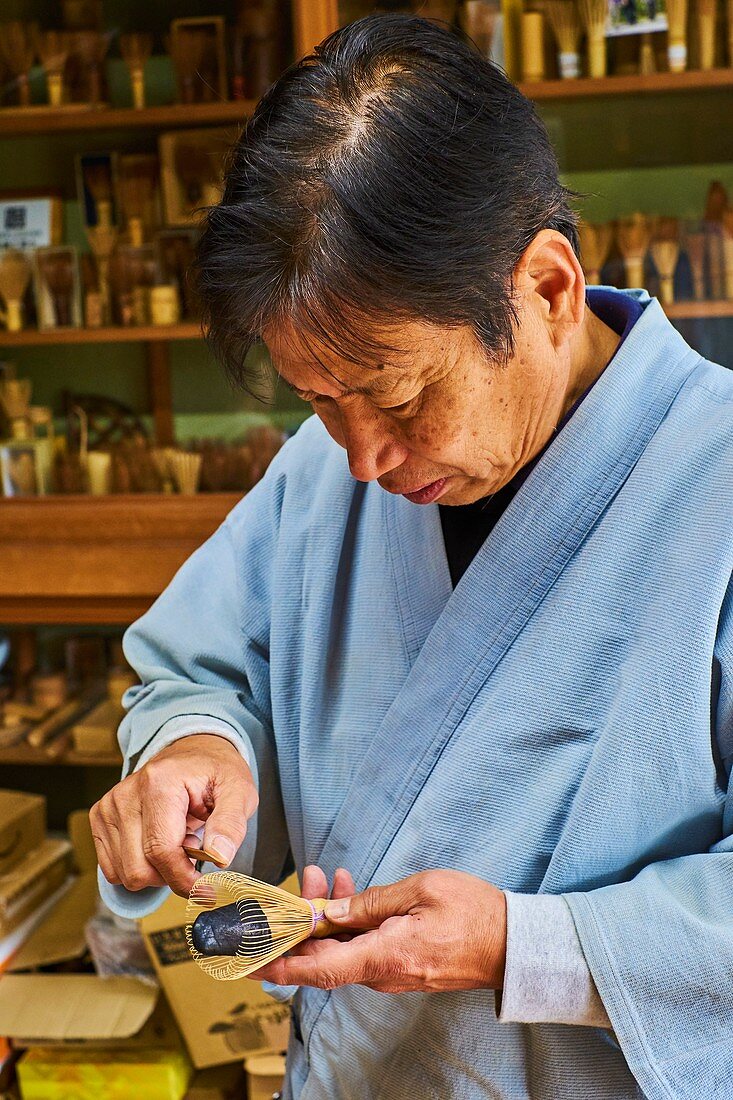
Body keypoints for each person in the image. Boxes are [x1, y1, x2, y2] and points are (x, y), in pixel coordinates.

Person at [91, 15, 733, 1100]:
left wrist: (525, 941)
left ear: (545, 289)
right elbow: (202, 668)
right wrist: (197, 750)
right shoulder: (322, 467)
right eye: (317, 401)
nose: (363, 458)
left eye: (398, 396)